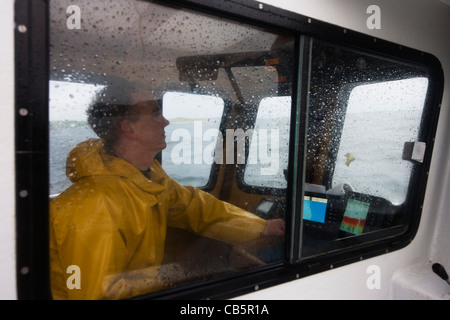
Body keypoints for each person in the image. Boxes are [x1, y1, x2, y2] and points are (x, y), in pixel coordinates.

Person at [49, 79, 285, 300]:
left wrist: (262, 227)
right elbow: (94, 293)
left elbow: (197, 207)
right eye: (155, 113)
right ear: (129, 128)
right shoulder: (94, 204)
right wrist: (166, 275)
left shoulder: (150, 179)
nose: (165, 121)